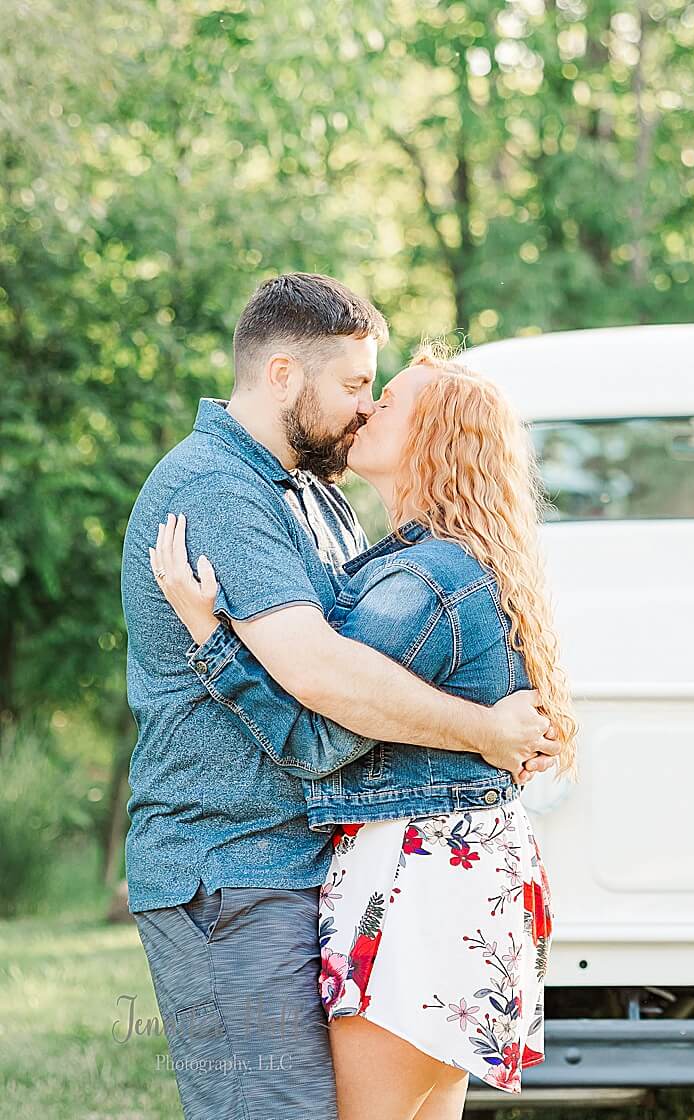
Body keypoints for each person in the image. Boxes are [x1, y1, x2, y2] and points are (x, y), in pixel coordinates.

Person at [121, 273, 559, 1120]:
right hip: (230, 867)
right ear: (284, 374)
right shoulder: (218, 491)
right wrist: (483, 730)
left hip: (301, 864)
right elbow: (325, 689)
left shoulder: (317, 495)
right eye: (357, 385)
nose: (364, 408)